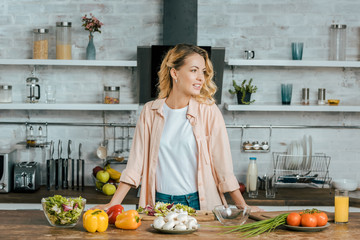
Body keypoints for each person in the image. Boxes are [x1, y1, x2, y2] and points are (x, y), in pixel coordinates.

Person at [93, 44, 261, 212]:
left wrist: (243, 206)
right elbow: (135, 165)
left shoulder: (208, 111)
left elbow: (223, 165)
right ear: (175, 73)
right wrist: (113, 204)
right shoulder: (150, 111)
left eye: (203, 71)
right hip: (158, 204)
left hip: (198, 203)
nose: (201, 78)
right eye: (194, 70)